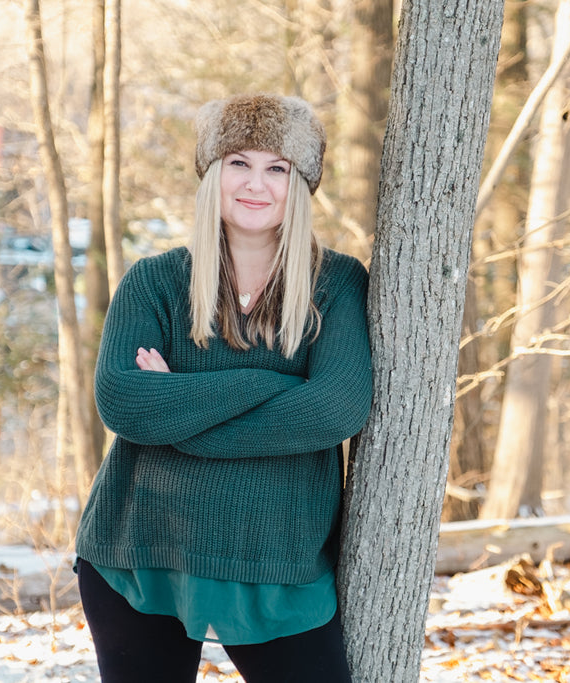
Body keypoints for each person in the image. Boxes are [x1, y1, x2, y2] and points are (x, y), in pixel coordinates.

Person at [74, 93, 373, 683]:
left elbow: (334, 410)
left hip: (281, 563)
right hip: (140, 553)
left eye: (277, 168)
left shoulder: (336, 283)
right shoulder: (154, 282)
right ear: (212, 174)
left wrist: (182, 405)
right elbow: (124, 403)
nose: (255, 184)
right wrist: (271, 383)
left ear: (302, 183)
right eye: (238, 162)